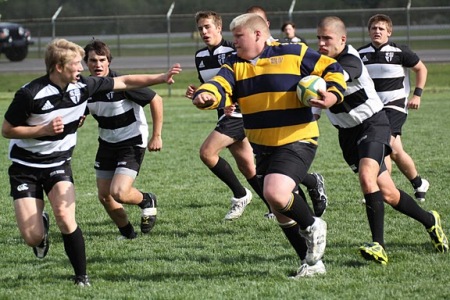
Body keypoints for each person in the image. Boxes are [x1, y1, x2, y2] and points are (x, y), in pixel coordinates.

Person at [1, 38, 181, 286]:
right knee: (33, 237)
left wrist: (162, 76)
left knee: (66, 217)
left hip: (59, 164)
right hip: (25, 167)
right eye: (77, 64)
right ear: (58, 67)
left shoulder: (82, 86)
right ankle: (41, 231)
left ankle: (81, 277)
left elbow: (126, 82)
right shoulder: (29, 93)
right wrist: (42, 130)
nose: (82, 68)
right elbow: (7, 130)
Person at [193, 13, 347, 278]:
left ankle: (312, 224)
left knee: (275, 193)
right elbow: (219, 85)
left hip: (296, 138)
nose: (235, 42)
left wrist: (332, 95)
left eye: (239, 36)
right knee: (280, 211)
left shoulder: (293, 52)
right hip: (262, 145)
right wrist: (205, 96)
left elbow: (333, 69)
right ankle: (311, 264)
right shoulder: (233, 64)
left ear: (257, 34)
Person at [314, 16, 448, 265]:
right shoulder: (317, 62)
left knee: (367, 177)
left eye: (327, 39)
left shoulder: (350, 59)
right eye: (319, 38)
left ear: (342, 40)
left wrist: (325, 88)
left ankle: (379, 245)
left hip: (373, 123)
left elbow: (343, 74)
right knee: (387, 192)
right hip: (347, 134)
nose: (321, 43)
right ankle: (431, 221)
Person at [185, 10, 273, 220]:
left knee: (207, 153)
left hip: (241, 113)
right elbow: (213, 88)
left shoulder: (234, 50)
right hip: (224, 114)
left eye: (208, 27)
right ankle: (274, 207)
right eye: (200, 28)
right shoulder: (200, 56)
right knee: (248, 166)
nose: (204, 32)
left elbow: (245, 80)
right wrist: (198, 93)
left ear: (218, 28)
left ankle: (240, 195)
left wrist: (230, 101)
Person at [245, 5, 328, 217]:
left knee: (213, 154)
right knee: (257, 167)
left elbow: (322, 68)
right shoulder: (241, 53)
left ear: (265, 26)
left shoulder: (286, 50)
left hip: (288, 126)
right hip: (251, 116)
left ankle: (289, 209)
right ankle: (298, 196)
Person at [83, 39, 160, 239]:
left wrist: (156, 136)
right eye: (93, 60)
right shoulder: (85, 88)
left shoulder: (122, 82)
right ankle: (127, 233)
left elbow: (156, 99)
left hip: (131, 141)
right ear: (86, 63)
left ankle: (146, 200)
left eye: (102, 60)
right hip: (107, 142)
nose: (97, 65)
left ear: (109, 61)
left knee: (119, 192)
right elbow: (80, 114)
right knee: (104, 196)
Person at [358, 14, 429, 202]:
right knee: (396, 151)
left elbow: (421, 69)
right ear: (369, 32)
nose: (377, 31)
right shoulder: (360, 54)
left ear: (389, 32)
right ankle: (419, 183)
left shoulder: (400, 51)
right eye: (374, 28)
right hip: (373, 108)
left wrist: (417, 95)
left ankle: (376, 190)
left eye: (381, 28)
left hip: (395, 105)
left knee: (382, 144)